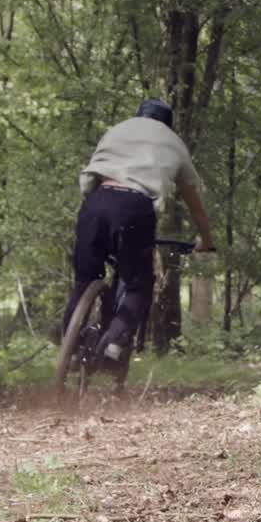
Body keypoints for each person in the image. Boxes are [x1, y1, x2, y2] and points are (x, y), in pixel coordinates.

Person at [63, 98, 215, 368]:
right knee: (139, 283)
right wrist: (206, 240)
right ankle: (113, 344)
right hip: (134, 207)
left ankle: (70, 350)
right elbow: (196, 207)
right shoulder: (173, 142)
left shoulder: (117, 130)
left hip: (95, 203)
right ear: (168, 124)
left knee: (84, 281)